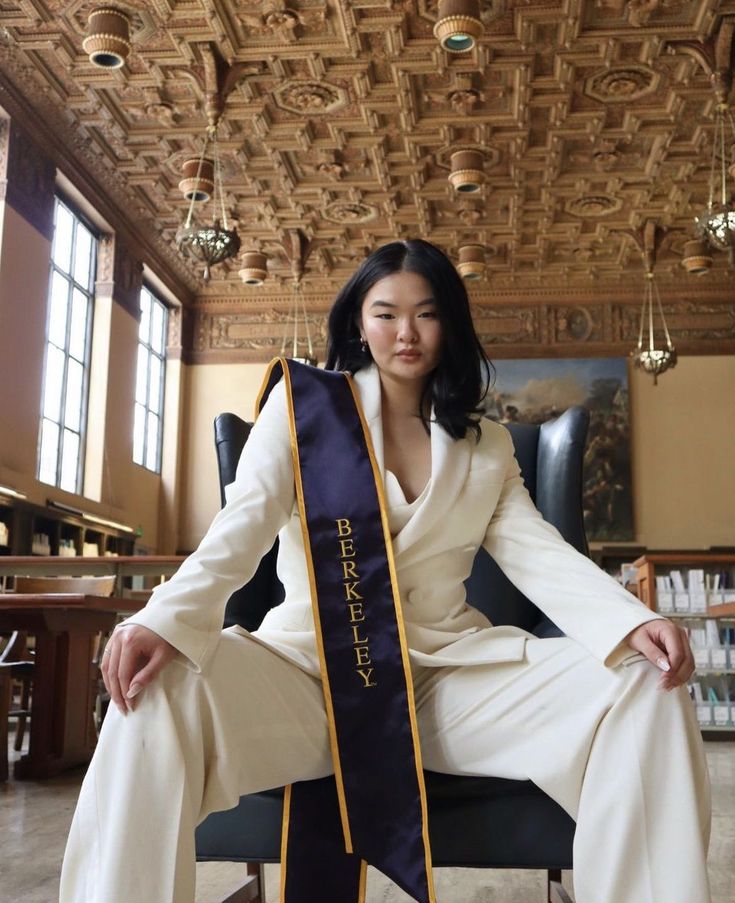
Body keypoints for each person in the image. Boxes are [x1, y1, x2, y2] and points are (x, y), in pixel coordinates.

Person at [60, 239, 710, 903]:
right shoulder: (300, 413)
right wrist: (163, 618)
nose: (405, 332)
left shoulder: (485, 447)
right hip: (305, 679)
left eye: (425, 313)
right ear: (357, 324)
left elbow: (538, 554)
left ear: (449, 323)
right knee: (157, 686)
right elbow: (240, 527)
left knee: (644, 685)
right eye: (385, 313)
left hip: (447, 685)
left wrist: (634, 621)